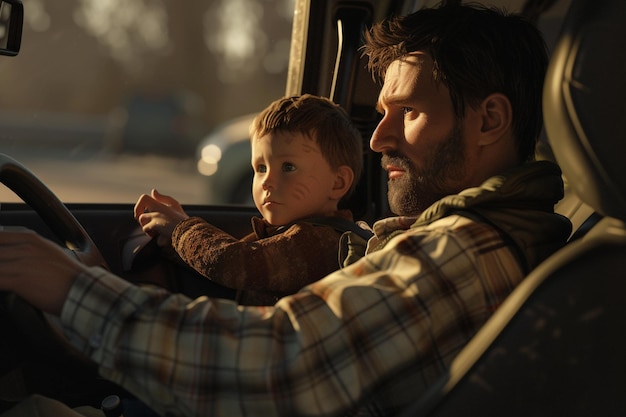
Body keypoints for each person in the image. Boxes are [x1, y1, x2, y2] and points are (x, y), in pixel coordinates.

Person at [0, 3, 572, 417]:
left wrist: (73, 289)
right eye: (381, 112)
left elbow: (278, 365)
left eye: (409, 112)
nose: (377, 139)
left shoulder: (465, 250)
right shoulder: (467, 237)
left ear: (490, 121)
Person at [133, 94, 365, 305]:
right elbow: (224, 267)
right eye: (261, 167)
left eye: (288, 167)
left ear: (338, 183)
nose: (267, 181)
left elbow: (233, 264)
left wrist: (180, 229)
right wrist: (174, 244)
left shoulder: (319, 241)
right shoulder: (284, 232)